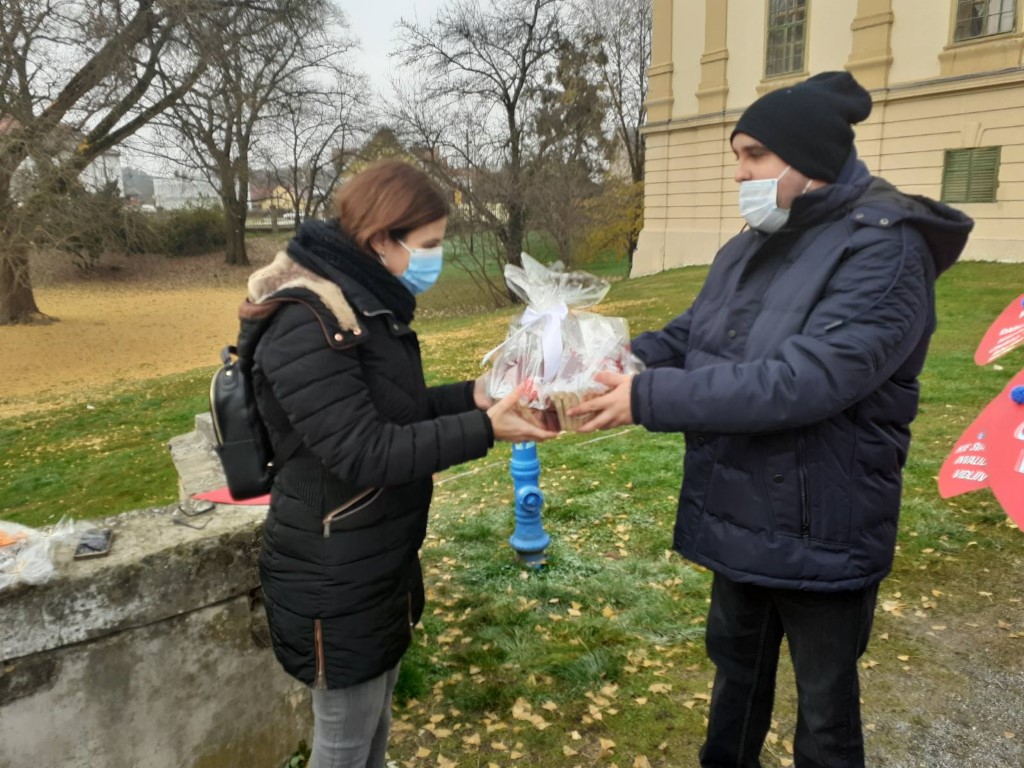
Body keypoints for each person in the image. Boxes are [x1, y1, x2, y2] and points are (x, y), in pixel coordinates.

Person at [569, 71, 973, 767]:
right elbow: (692, 335)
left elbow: (805, 382)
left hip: (824, 524)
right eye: (737, 156)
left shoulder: (886, 249)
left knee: (824, 714)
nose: (739, 174)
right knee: (736, 679)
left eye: (753, 155)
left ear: (809, 159)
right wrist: (606, 358)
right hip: (742, 509)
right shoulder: (751, 244)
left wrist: (646, 399)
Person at [243, 159, 556, 768]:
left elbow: (397, 413)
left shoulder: (363, 307)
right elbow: (363, 450)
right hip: (333, 575)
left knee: (374, 726)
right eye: (429, 244)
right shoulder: (307, 321)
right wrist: (485, 429)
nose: (436, 257)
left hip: (374, 559)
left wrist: (475, 395)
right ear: (381, 239)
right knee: (343, 744)